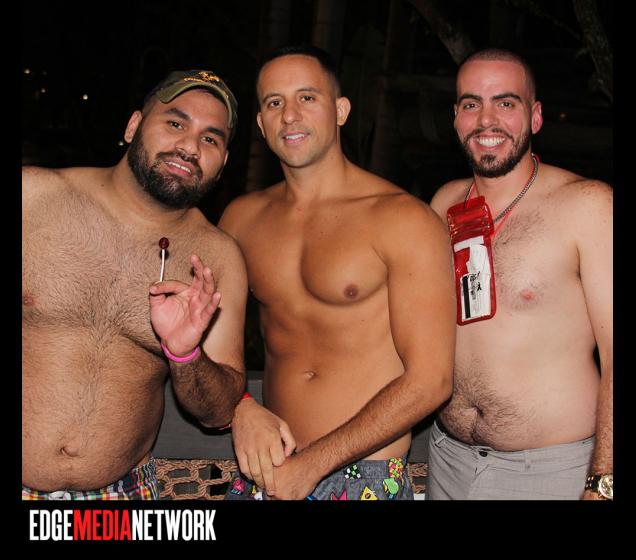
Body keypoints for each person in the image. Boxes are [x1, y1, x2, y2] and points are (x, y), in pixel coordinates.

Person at [220, 45, 455, 501]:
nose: (290, 115)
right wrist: (241, 405)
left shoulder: (402, 218)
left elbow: (432, 380)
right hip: (269, 469)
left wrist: (311, 466)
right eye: (274, 102)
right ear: (261, 124)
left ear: (341, 110)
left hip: (364, 474)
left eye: (307, 97)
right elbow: (210, 347)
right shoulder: (241, 220)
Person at [22, 69, 248, 500]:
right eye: (176, 123)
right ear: (133, 126)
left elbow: (218, 411)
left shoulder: (218, 259)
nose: (190, 147)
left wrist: (185, 354)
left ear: (222, 163)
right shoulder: (33, 198)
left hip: (122, 497)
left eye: (210, 138)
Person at [426, 48, 613, 500]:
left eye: (505, 103)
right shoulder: (443, 204)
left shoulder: (588, 205)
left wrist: (603, 482)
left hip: (551, 473)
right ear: (456, 118)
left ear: (536, 117)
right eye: (471, 104)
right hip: (447, 461)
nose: (486, 120)